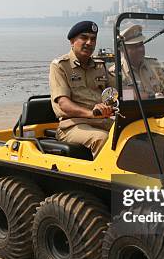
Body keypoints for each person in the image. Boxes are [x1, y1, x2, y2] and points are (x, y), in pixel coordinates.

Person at [49, 21, 115, 158]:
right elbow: (63, 104)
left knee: (133, 135)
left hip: (103, 121)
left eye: (93, 39)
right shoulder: (60, 66)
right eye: (84, 38)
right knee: (101, 138)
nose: (89, 43)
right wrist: (91, 113)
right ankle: (104, 179)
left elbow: (117, 91)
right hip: (72, 125)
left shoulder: (99, 66)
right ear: (72, 41)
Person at [113, 24, 164, 100]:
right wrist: (151, 97)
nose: (140, 49)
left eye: (141, 45)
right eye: (134, 46)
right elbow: (122, 96)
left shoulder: (154, 64)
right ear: (122, 50)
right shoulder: (116, 72)